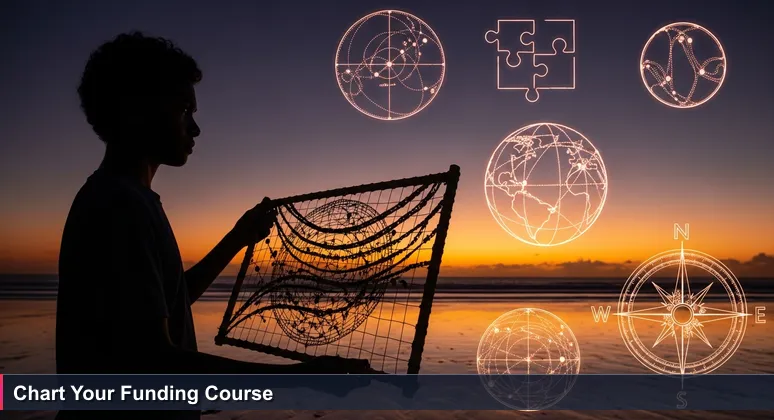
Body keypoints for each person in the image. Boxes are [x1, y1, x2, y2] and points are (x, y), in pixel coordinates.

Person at [56, 32, 370, 419]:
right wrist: (302, 378)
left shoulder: (128, 199)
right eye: (183, 110)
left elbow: (170, 300)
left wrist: (237, 239)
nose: (195, 128)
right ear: (136, 110)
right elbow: (152, 362)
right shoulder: (118, 205)